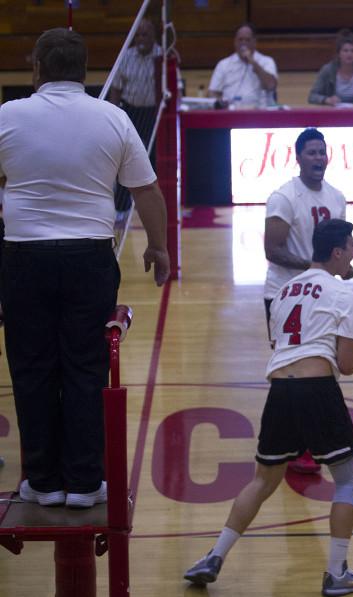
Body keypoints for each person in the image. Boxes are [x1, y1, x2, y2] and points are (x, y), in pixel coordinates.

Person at [0, 28, 169, 508]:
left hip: (23, 258)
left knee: (31, 369)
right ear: (84, 71)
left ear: (36, 68)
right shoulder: (111, 118)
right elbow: (148, 192)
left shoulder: (8, 115)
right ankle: (85, 480)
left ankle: (43, 480)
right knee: (84, 367)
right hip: (88, 258)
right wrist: (159, 249)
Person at [184, 219, 353, 596]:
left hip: (280, 391)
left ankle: (214, 555)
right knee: (347, 480)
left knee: (263, 480)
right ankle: (337, 573)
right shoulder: (341, 294)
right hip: (317, 389)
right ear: (337, 252)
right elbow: (348, 364)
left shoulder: (286, 290)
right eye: (351, 246)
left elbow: (280, 345)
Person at [263, 127, 351, 475]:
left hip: (322, 296)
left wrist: (343, 266)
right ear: (298, 157)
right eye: (311, 152)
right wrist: (315, 267)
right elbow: (272, 250)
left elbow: (338, 248)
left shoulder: (337, 196)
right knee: (290, 369)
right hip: (284, 294)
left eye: (322, 152)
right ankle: (291, 442)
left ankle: (303, 445)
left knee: (318, 365)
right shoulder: (284, 197)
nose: (318, 158)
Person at [108, 17, 162, 212]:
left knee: (154, 158)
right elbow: (115, 89)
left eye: (145, 34)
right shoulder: (126, 56)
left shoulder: (162, 56)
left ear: (154, 36)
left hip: (155, 114)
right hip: (130, 112)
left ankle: (154, 206)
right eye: (137, 35)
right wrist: (115, 116)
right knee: (126, 159)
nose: (140, 38)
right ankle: (122, 208)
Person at [208, 23, 277, 107]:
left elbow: (271, 85)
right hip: (230, 113)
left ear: (254, 42)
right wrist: (221, 105)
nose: (243, 43)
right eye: (240, 40)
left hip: (259, 113)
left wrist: (253, 62)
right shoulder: (223, 64)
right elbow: (213, 92)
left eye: (247, 40)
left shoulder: (266, 61)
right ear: (235, 42)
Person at [309, 31, 353, 106]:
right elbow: (312, 96)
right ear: (339, 54)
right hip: (334, 112)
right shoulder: (328, 70)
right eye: (345, 51)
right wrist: (327, 100)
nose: (349, 54)